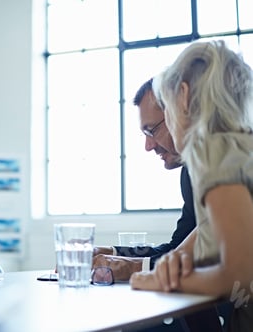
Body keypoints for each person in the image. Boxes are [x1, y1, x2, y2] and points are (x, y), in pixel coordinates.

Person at [130, 40, 253, 331]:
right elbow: (196, 245)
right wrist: (173, 264)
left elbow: (239, 274)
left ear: (183, 97)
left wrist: (159, 280)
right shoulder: (243, 151)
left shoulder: (212, 150)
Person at [92, 78, 196, 281]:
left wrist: (132, 267)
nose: (148, 146)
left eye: (152, 130)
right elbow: (177, 248)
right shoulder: (189, 173)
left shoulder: (228, 168)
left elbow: (210, 257)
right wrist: (113, 253)